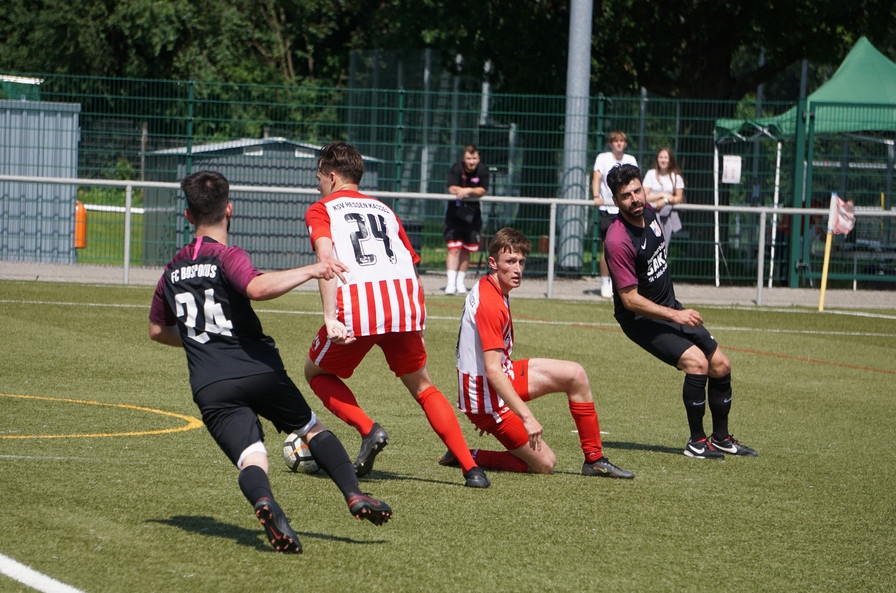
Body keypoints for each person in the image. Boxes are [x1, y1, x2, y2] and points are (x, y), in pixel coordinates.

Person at [148, 170, 392, 555]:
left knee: (252, 458)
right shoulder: (227, 256)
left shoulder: (173, 271)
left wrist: (202, 340)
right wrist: (313, 269)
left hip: (210, 385)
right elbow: (256, 288)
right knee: (310, 428)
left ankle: (265, 503)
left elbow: (157, 331)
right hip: (258, 369)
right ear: (229, 210)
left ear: (187, 216)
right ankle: (354, 495)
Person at [303, 141, 491, 489]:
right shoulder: (386, 210)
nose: (318, 185)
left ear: (331, 176)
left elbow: (326, 262)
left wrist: (331, 317)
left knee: (315, 372)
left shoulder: (321, 209)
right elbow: (408, 262)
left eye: (318, 178)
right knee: (423, 386)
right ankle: (471, 469)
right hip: (404, 303)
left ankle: (368, 429)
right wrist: (415, 312)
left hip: (359, 305)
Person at [439, 227, 634, 478]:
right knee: (544, 464)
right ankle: (465, 454)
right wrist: (527, 417)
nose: (518, 269)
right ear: (493, 263)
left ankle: (594, 460)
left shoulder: (494, 286)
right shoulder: (490, 303)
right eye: (510, 261)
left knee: (575, 374)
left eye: (521, 261)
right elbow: (492, 370)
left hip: (495, 380)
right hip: (485, 397)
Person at [603, 164, 757, 460]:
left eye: (637, 190)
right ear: (615, 201)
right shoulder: (617, 240)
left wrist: (675, 310)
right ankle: (696, 442)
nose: (634, 199)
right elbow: (630, 300)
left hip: (671, 308)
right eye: (626, 196)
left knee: (721, 365)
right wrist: (676, 315)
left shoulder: (648, 212)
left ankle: (722, 438)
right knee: (697, 363)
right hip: (641, 320)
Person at [591, 131, 638, 299]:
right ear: (611, 143)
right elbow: (596, 178)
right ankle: (605, 282)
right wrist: (596, 196)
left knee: (630, 247)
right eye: (615, 141)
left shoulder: (631, 160)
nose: (619, 144)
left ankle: (624, 282)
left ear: (625, 143)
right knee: (608, 247)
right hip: (608, 210)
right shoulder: (603, 158)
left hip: (626, 210)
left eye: (622, 141)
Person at [442, 144, 490, 295]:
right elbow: (451, 188)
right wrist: (459, 190)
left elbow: (483, 190)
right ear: (464, 158)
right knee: (454, 249)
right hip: (454, 215)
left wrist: (468, 190)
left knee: (466, 250)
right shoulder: (456, 168)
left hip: (472, 216)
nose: (472, 162)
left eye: (474, 158)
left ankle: (460, 282)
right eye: (469, 158)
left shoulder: (482, 170)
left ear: (479, 158)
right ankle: (450, 284)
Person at [642, 147, 685, 250]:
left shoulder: (676, 177)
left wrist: (665, 201)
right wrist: (661, 195)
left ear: (670, 160)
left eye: (666, 157)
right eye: (661, 157)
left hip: (667, 216)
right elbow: (644, 196)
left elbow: (678, 198)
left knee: (663, 245)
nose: (663, 160)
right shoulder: (650, 174)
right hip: (650, 214)